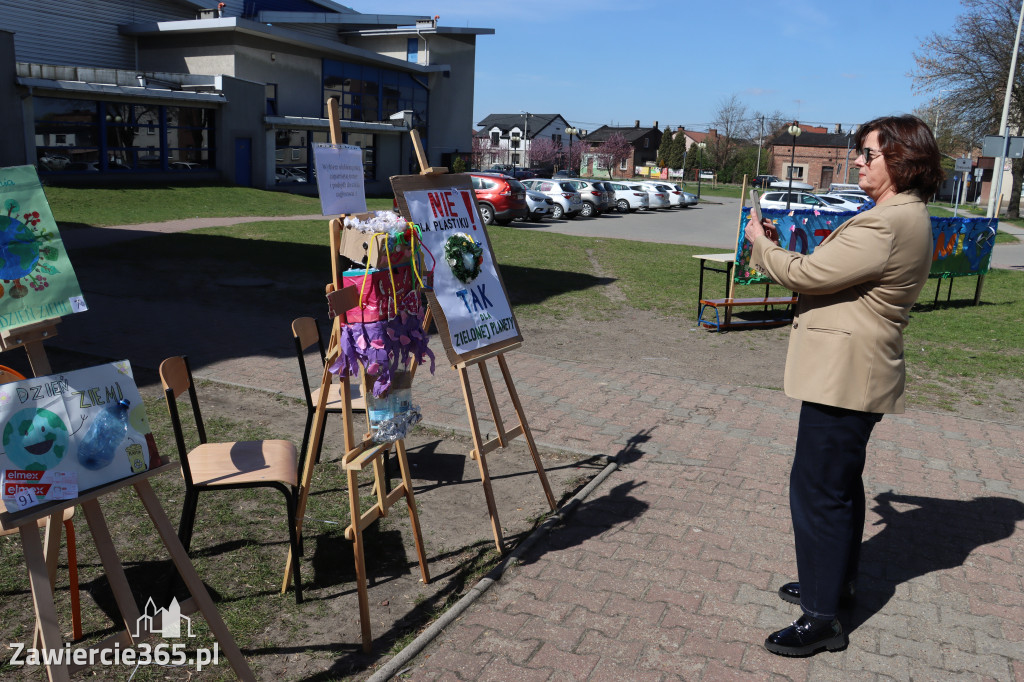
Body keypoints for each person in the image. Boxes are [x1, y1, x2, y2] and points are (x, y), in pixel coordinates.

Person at [743, 115, 944, 657]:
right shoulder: (900, 216)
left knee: (818, 493)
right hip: (853, 373)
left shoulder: (887, 223)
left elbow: (808, 274)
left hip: (846, 377)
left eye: (867, 154)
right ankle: (832, 586)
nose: (856, 160)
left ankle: (822, 618)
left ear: (900, 161)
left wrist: (760, 245)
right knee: (839, 486)